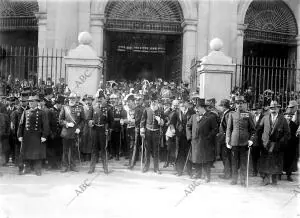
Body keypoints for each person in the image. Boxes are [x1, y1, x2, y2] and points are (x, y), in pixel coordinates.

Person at [257, 101, 290, 186]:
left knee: (275, 162)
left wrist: (280, 142)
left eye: (275, 108)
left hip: (276, 144)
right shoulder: (265, 117)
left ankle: (274, 180)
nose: (273, 110)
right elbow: (259, 130)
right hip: (266, 144)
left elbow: (287, 133)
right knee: (265, 162)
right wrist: (261, 141)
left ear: (278, 109)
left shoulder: (283, 119)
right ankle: (265, 179)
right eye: (271, 108)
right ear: (269, 109)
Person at [226, 95, 255, 186]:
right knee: (234, 162)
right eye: (237, 103)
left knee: (243, 162)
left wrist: (251, 139)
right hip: (234, 142)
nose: (239, 105)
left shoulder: (247, 114)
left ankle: (243, 180)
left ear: (244, 104)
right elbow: (229, 129)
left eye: (241, 103)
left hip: (244, 142)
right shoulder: (231, 114)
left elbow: (253, 129)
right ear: (235, 104)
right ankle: (234, 179)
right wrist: (228, 140)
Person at [186, 99, 218, 182]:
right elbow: (188, 126)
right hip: (195, 142)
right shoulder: (193, 116)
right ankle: (197, 174)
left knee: (206, 159)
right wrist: (189, 137)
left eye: (198, 108)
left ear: (202, 108)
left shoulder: (211, 117)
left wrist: (208, 137)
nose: (196, 110)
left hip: (206, 142)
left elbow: (215, 129)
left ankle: (207, 176)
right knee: (196, 159)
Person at [17, 95, 49, 176]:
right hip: (27, 136)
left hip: (37, 136)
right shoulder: (26, 112)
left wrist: (44, 136)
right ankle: (26, 168)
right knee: (26, 153)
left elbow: (45, 125)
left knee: (37, 153)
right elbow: (21, 125)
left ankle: (37, 169)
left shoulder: (42, 113)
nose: (30, 103)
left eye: (32, 101)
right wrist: (19, 135)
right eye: (29, 102)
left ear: (37, 102)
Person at [59, 92, 85, 173]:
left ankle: (73, 166)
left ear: (76, 99)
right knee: (65, 150)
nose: (72, 100)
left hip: (75, 132)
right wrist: (66, 123)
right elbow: (60, 120)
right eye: (71, 98)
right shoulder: (64, 107)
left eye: (74, 98)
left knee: (74, 150)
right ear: (68, 99)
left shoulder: (80, 108)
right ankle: (64, 166)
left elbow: (83, 120)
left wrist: (79, 128)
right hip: (66, 132)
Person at [88, 91, 112, 174]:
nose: (99, 100)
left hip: (103, 130)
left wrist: (107, 130)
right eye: (98, 98)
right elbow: (89, 118)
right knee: (94, 149)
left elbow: (111, 122)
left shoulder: (108, 108)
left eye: (101, 98)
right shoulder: (93, 107)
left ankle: (105, 168)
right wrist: (90, 122)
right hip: (95, 130)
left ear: (104, 99)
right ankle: (92, 168)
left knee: (103, 150)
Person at [140, 93, 164, 174]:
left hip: (156, 132)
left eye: (155, 101)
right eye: (152, 101)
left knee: (156, 151)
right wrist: (142, 131)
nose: (154, 102)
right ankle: (146, 166)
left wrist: (160, 120)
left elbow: (163, 123)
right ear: (150, 101)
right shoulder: (146, 110)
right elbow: (142, 121)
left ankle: (156, 168)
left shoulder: (160, 110)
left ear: (157, 101)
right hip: (148, 132)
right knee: (147, 150)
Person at [175, 100, 195, 176]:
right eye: (181, 106)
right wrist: (173, 129)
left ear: (186, 105)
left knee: (189, 153)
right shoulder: (177, 112)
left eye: (184, 105)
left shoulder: (192, 112)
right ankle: (179, 170)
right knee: (180, 153)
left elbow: (195, 124)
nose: (182, 107)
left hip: (189, 136)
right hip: (180, 136)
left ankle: (189, 171)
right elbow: (172, 122)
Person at [217, 99, 234, 180]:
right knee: (224, 155)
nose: (220, 108)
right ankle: (227, 172)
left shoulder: (228, 114)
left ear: (224, 106)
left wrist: (227, 138)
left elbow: (229, 127)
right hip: (223, 137)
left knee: (226, 156)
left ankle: (227, 174)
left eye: (221, 106)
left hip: (225, 138)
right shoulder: (225, 113)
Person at [47, 95, 64, 169]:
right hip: (52, 134)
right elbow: (47, 123)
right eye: (61, 104)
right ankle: (51, 164)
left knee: (59, 149)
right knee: (51, 149)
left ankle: (58, 164)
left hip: (60, 134)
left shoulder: (62, 111)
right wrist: (50, 133)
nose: (62, 106)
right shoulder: (50, 111)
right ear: (58, 103)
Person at [283, 108, 298, 182]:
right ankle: (279, 174)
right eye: (288, 116)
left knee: (289, 160)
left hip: (291, 145)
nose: (289, 117)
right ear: (285, 116)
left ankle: (288, 175)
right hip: (282, 145)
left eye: (291, 116)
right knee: (282, 158)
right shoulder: (281, 123)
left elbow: (295, 136)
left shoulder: (294, 125)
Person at [251, 102, 265, 177]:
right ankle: (254, 170)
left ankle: (261, 171)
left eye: (257, 109)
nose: (255, 111)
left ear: (261, 110)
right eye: (254, 109)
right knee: (254, 156)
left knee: (261, 156)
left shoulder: (264, 117)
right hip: (253, 141)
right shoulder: (251, 117)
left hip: (261, 140)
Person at [81, 95, 94, 161]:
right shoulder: (82, 108)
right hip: (84, 125)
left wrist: (92, 121)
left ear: (92, 100)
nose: (88, 101)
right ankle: (84, 155)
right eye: (87, 100)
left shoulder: (94, 107)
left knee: (91, 139)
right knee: (84, 139)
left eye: (90, 100)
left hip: (91, 126)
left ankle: (89, 155)